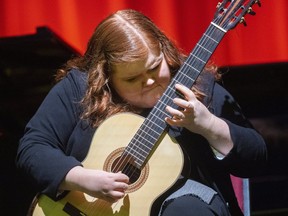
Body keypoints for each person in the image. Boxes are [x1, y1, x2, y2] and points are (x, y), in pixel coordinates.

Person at [16, 9, 267, 216]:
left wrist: (208, 124)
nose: (148, 82)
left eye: (155, 67)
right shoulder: (79, 88)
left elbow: (256, 158)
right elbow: (34, 147)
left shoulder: (198, 86)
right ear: (106, 77)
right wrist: (80, 178)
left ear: (163, 50)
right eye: (133, 78)